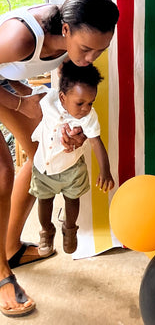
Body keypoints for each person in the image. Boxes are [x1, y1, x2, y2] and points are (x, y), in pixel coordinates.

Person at [0, 0, 119, 317]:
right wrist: (21, 103)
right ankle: (1, 275)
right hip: (7, 88)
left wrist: (67, 128)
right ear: (65, 30)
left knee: (41, 156)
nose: (91, 57)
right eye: (86, 49)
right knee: (2, 176)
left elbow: (62, 90)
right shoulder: (21, 38)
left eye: (101, 50)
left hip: (5, 83)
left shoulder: (75, 47)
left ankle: (10, 249)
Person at [30, 61, 114, 258]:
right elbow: (29, 96)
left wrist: (105, 171)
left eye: (90, 102)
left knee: (72, 200)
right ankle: (46, 230)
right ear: (62, 97)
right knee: (44, 202)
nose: (86, 108)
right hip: (44, 167)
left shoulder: (88, 117)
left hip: (72, 169)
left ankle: (70, 228)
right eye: (80, 103)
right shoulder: (48, 101)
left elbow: (96, 143)